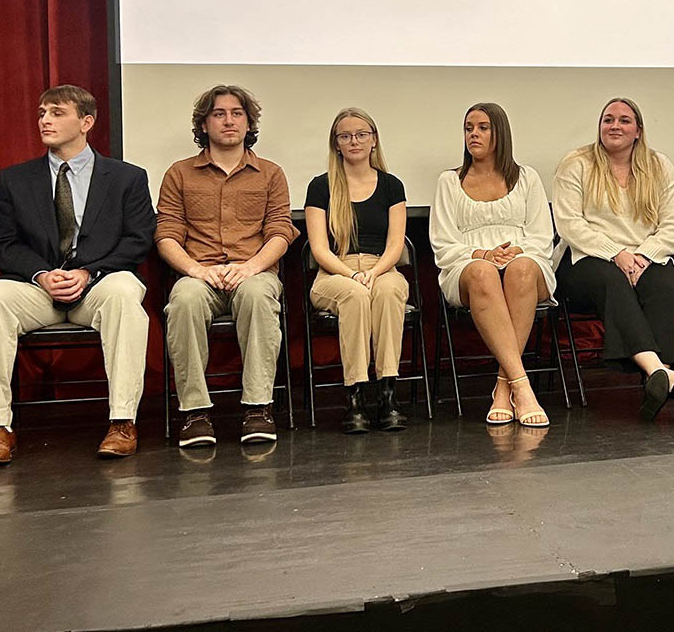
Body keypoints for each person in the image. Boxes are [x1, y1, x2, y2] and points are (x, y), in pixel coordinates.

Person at [0, 84, 155, 467]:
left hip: (100, 283)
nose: (45, 120)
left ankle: (122, 422)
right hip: (39, 289)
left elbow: (139, 240)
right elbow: (2, 244)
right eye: (41, 113)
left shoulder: (127, 178)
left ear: (86, 122)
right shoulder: (15, 179)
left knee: (124, 293)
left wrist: (89, 271)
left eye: (56, 112)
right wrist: (40, 274)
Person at [156, 84, 299, 448]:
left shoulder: (270, 173)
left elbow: (280, 231)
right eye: (218, 114)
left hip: (253, 272)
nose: (229, 121)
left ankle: (257, 407)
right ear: (203, 124)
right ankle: (195, 413)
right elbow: (167, 234)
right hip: (199, 273)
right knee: (184, 300)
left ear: (249, 123)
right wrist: (195, 270)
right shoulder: (179, 173)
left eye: (237, 113)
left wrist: (252, 267)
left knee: (257, 296)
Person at [552, 97, 674, 421]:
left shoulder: (659, 165)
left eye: (624, 120)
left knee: (662, 281)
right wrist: (616, 254)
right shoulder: (576, 163)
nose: (615, 126)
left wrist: (642, 256)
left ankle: (662, 376)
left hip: (643, 256)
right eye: (608, 119)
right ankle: (659, 371)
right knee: (611, 279)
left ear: (638, 131)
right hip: (584, 259)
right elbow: (570, 225)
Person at [429, 102, 555, 428]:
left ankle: (505, 386)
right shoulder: (449, 181)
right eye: (469, 127)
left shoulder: (527, 178)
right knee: (485, 274)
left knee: (522, 269)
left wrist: (514, 252)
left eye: (482, 127)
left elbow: (542, 236)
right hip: (467, 266)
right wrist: (482, 255)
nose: (474, 134)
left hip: (524, 261)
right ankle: (522, 387)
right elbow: (443, 244)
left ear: (500, 132)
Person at [305, 108, 409, 433]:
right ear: (336, 144)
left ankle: (388, 394)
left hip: (382, 267)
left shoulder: (392, 186)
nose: (354, 141)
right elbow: (320, 249)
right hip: (336, 272)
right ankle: (355, 397)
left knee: (390, 291)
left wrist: (375, 273)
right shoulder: (321, 187)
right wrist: (352, 275)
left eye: (362, 134)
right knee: (354, 295)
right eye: (345, 136)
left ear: (374, 140)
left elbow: (396, 245)